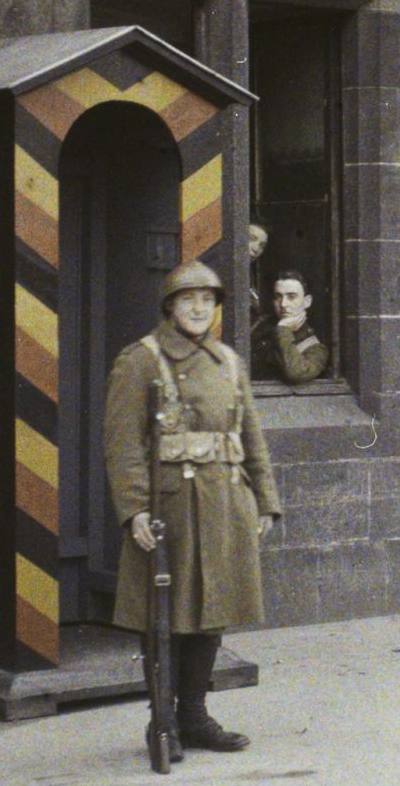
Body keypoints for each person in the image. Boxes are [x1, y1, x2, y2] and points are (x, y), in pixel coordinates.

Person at [103, 261, 281, 759]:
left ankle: (195, 716)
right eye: (188, 300)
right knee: (166, 615)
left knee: (212, 611)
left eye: (208, 300)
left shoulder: (227, 359)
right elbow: (123, 445)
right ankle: (163, 722)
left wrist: (265, 500)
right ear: (170, 307)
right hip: (171, 508)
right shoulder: (141, 360)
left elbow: (250, 435)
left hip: (225, 501)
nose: (199, 308)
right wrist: (134, 510)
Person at [248, 269, 329, 384]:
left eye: (291, 297)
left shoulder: (316, 347)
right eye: (278, 297)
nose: (283, 304)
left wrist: (283, 329)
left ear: (307, 301)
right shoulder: (260, 327)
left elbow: (296, 373)